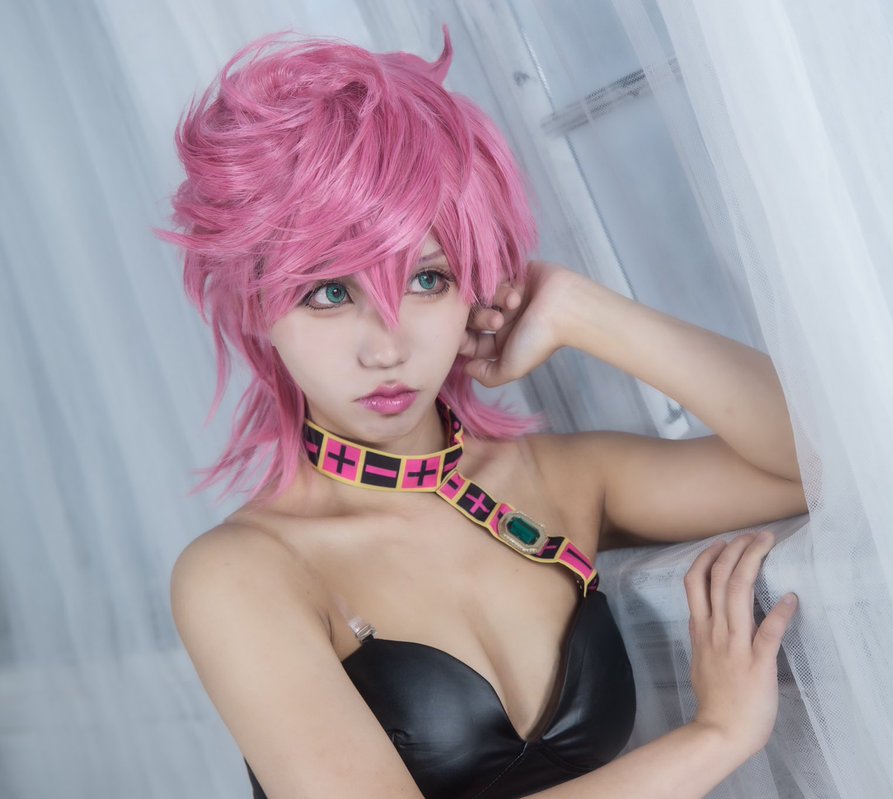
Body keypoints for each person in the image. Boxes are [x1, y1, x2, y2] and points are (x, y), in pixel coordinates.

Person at [161, 25, 807, 799]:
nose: (387, 346)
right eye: (329, 292)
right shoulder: (243, 572)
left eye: (427, 280)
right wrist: (716, 736)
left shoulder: (558, 481)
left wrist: (585, 311)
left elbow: (812, 462)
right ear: (255, 305)